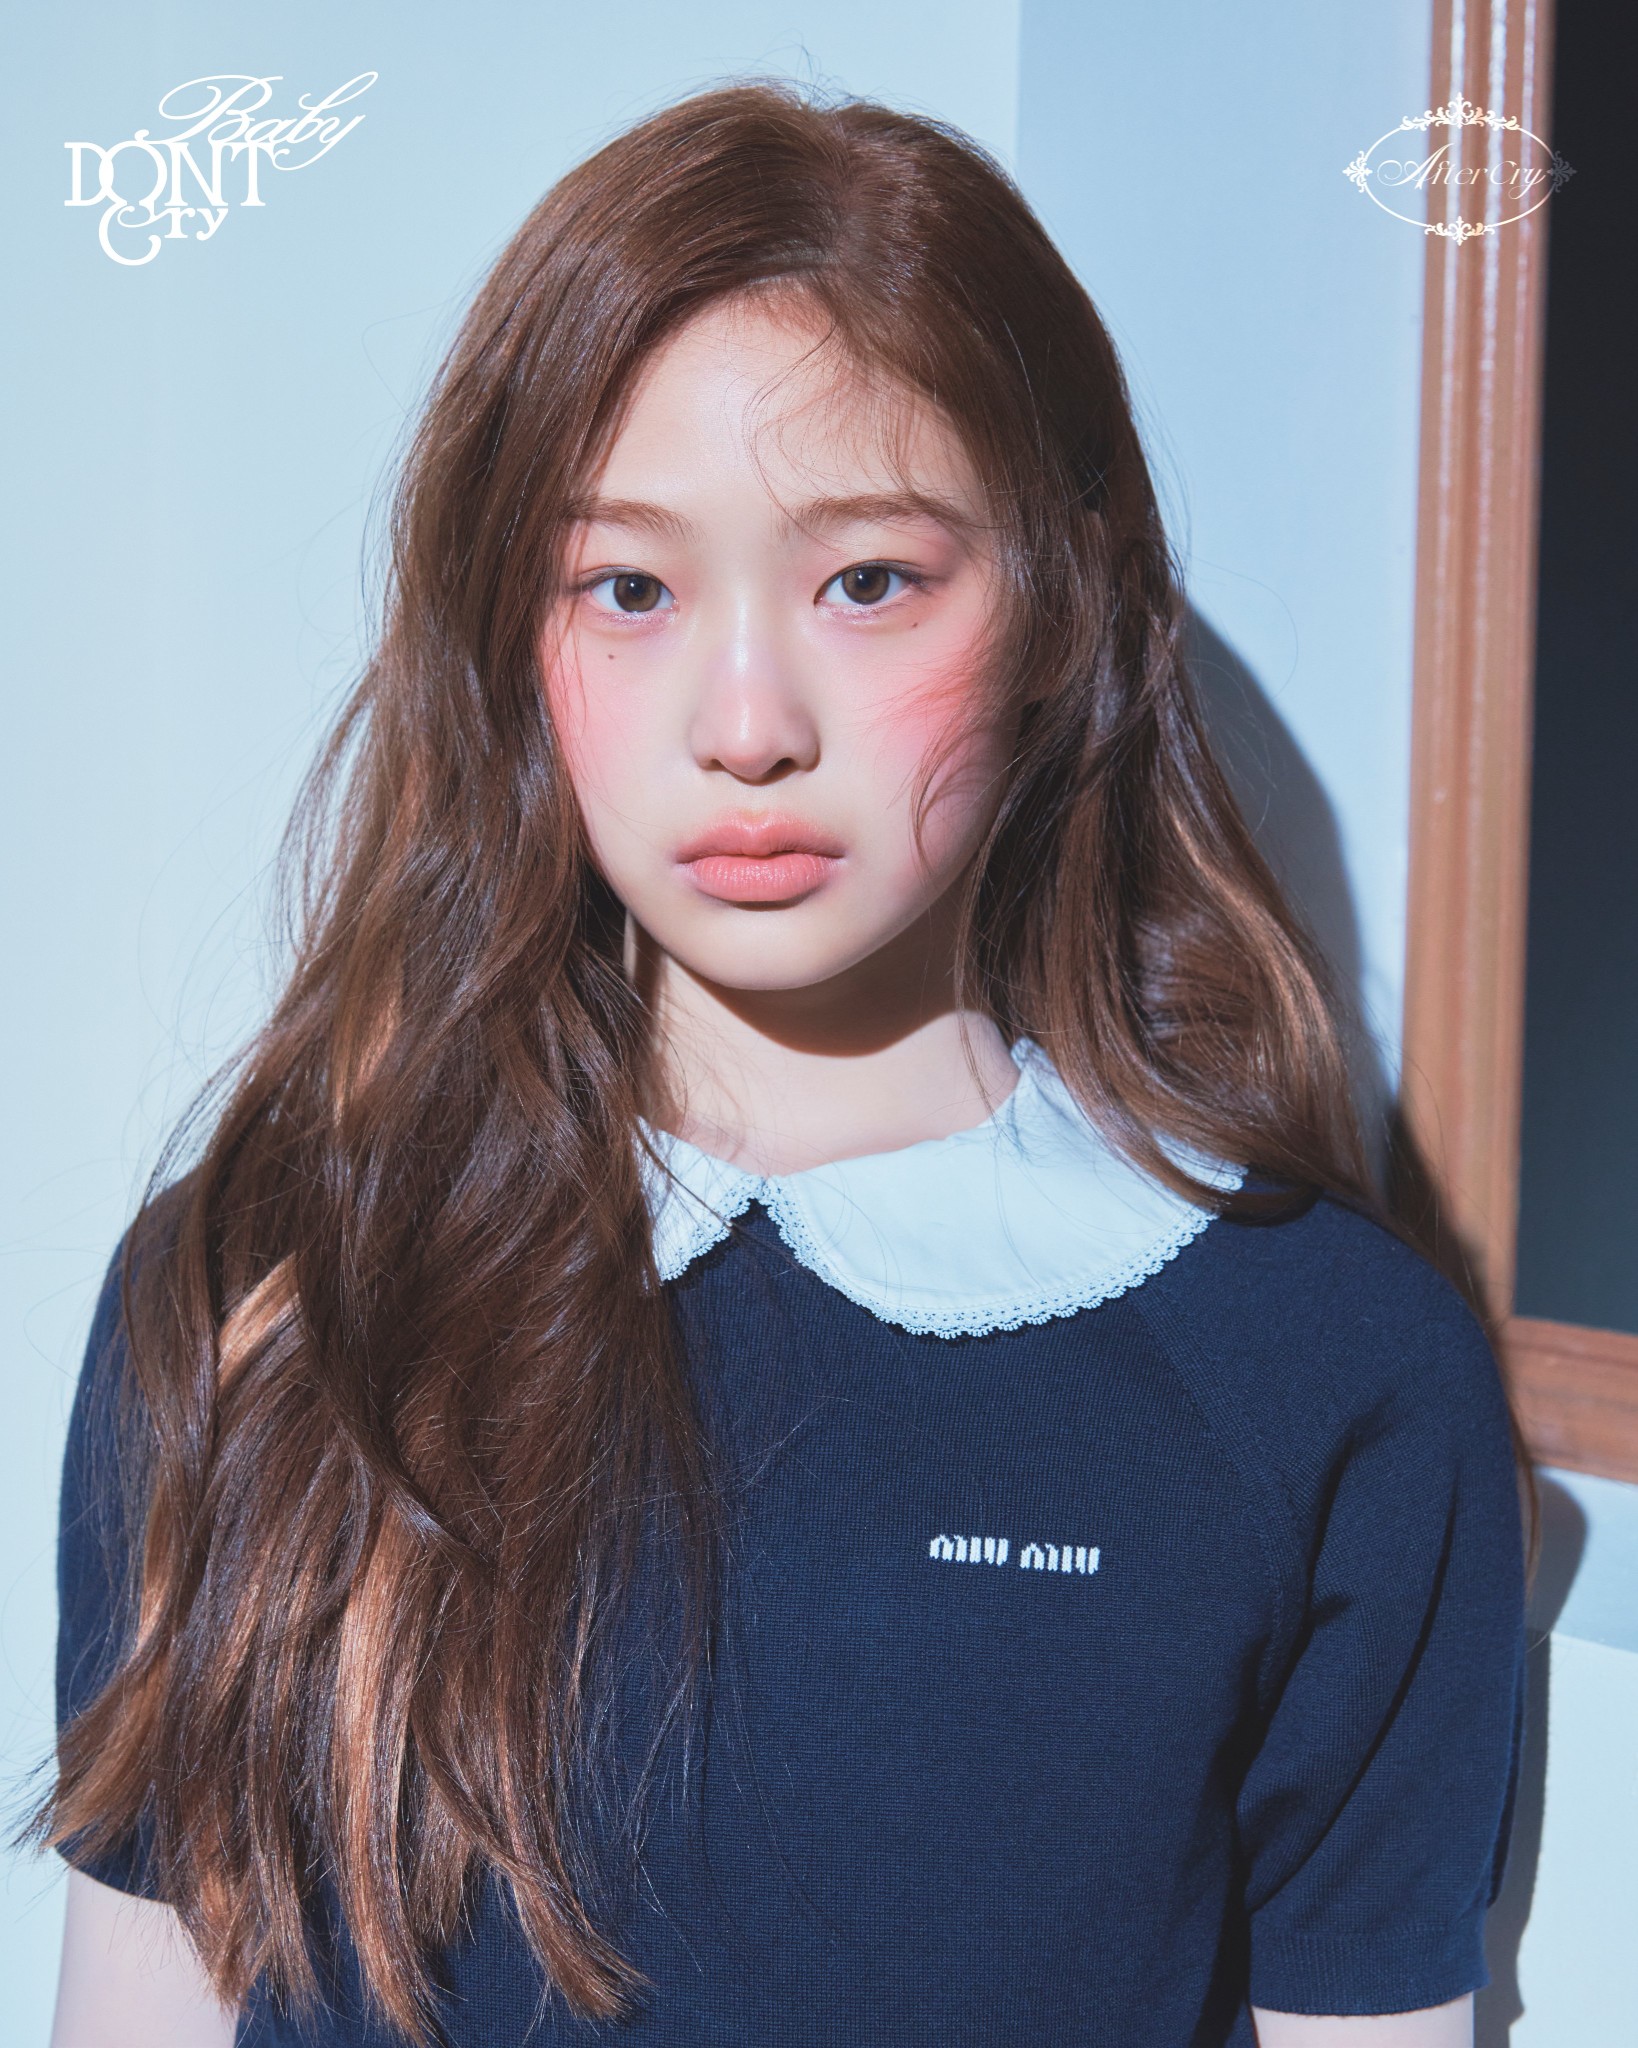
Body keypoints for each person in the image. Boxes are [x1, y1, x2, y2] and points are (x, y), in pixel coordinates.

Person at [37, 80, 1528, 2048]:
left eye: (868, 582)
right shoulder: (265, 1288)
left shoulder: (1330, 1372)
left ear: (1067, 612)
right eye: (629, 590)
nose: (746, 725)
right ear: (511, 636)